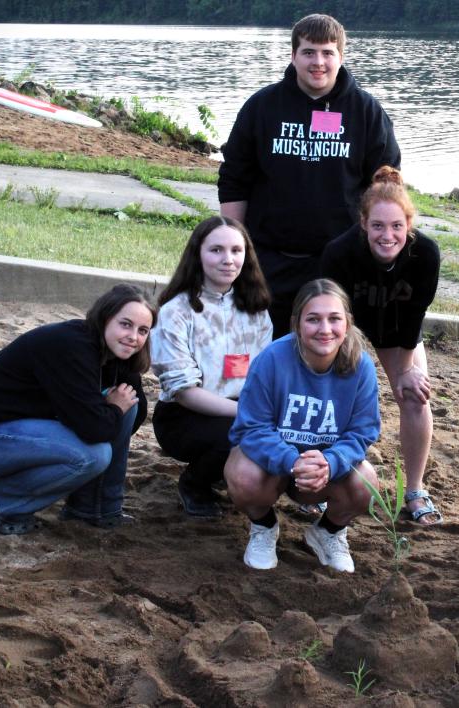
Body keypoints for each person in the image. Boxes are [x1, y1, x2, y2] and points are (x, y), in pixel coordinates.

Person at [218, 13, 401, 338]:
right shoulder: (262, 107)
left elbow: (386, 187)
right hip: (270, 257)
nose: (318, 62)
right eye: (309, 52)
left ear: (340, 57)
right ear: (293, 56)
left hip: (339, 260)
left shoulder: (366, 111)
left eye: (327, 53)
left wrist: (377, 251)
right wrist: (234, 244)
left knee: (328, 345)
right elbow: (234, 178)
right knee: (262, 348)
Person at [0, 284, 156, 534]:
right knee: (92, 455)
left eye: (143, 330)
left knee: (125, 404)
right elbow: (95, 430)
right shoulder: (71, 346)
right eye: (125, 324)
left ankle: (95, 508)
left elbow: (135, 412)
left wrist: (113, 407)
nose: (133, 336)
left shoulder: (116, 351)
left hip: (24, 429)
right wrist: (109, 412)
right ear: (105, 317)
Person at [223, 278, 381, 573]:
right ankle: (264, 526)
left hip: (324, 471)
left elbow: (363, 432)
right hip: (274, 468)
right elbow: (252, 427)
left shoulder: (361, 367)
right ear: (296, 323)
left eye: (334, 319)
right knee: (243, 476)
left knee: (366, 483)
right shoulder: (272, 359)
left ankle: (328, 531)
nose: (325, 329)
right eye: (313, 319)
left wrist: (330, 463)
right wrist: (293, 461)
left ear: (347, 322)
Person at [321, 165, 442, 525]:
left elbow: (414, 316)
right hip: (347, 325)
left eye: (396, 227)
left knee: (416, 394)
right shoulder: (339, 253)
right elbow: (329, 313)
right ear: (363, 223)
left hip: (396, 326)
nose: (387, 235)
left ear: (409, 226)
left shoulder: (426, 255)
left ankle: (415, 490)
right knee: (328, 394)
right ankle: (323, 483)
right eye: (377, 226)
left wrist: (405, 371)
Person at [151, 216, 273, 519]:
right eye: (216, 250)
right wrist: (249, 414)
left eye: (236, 250)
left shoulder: (256, 308)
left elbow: (265, 375)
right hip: (185, 416)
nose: (228, 260)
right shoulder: (175, 312)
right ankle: (194, 484)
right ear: (198, 254)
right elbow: (184, 393)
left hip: (241, 406)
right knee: (235, 433)